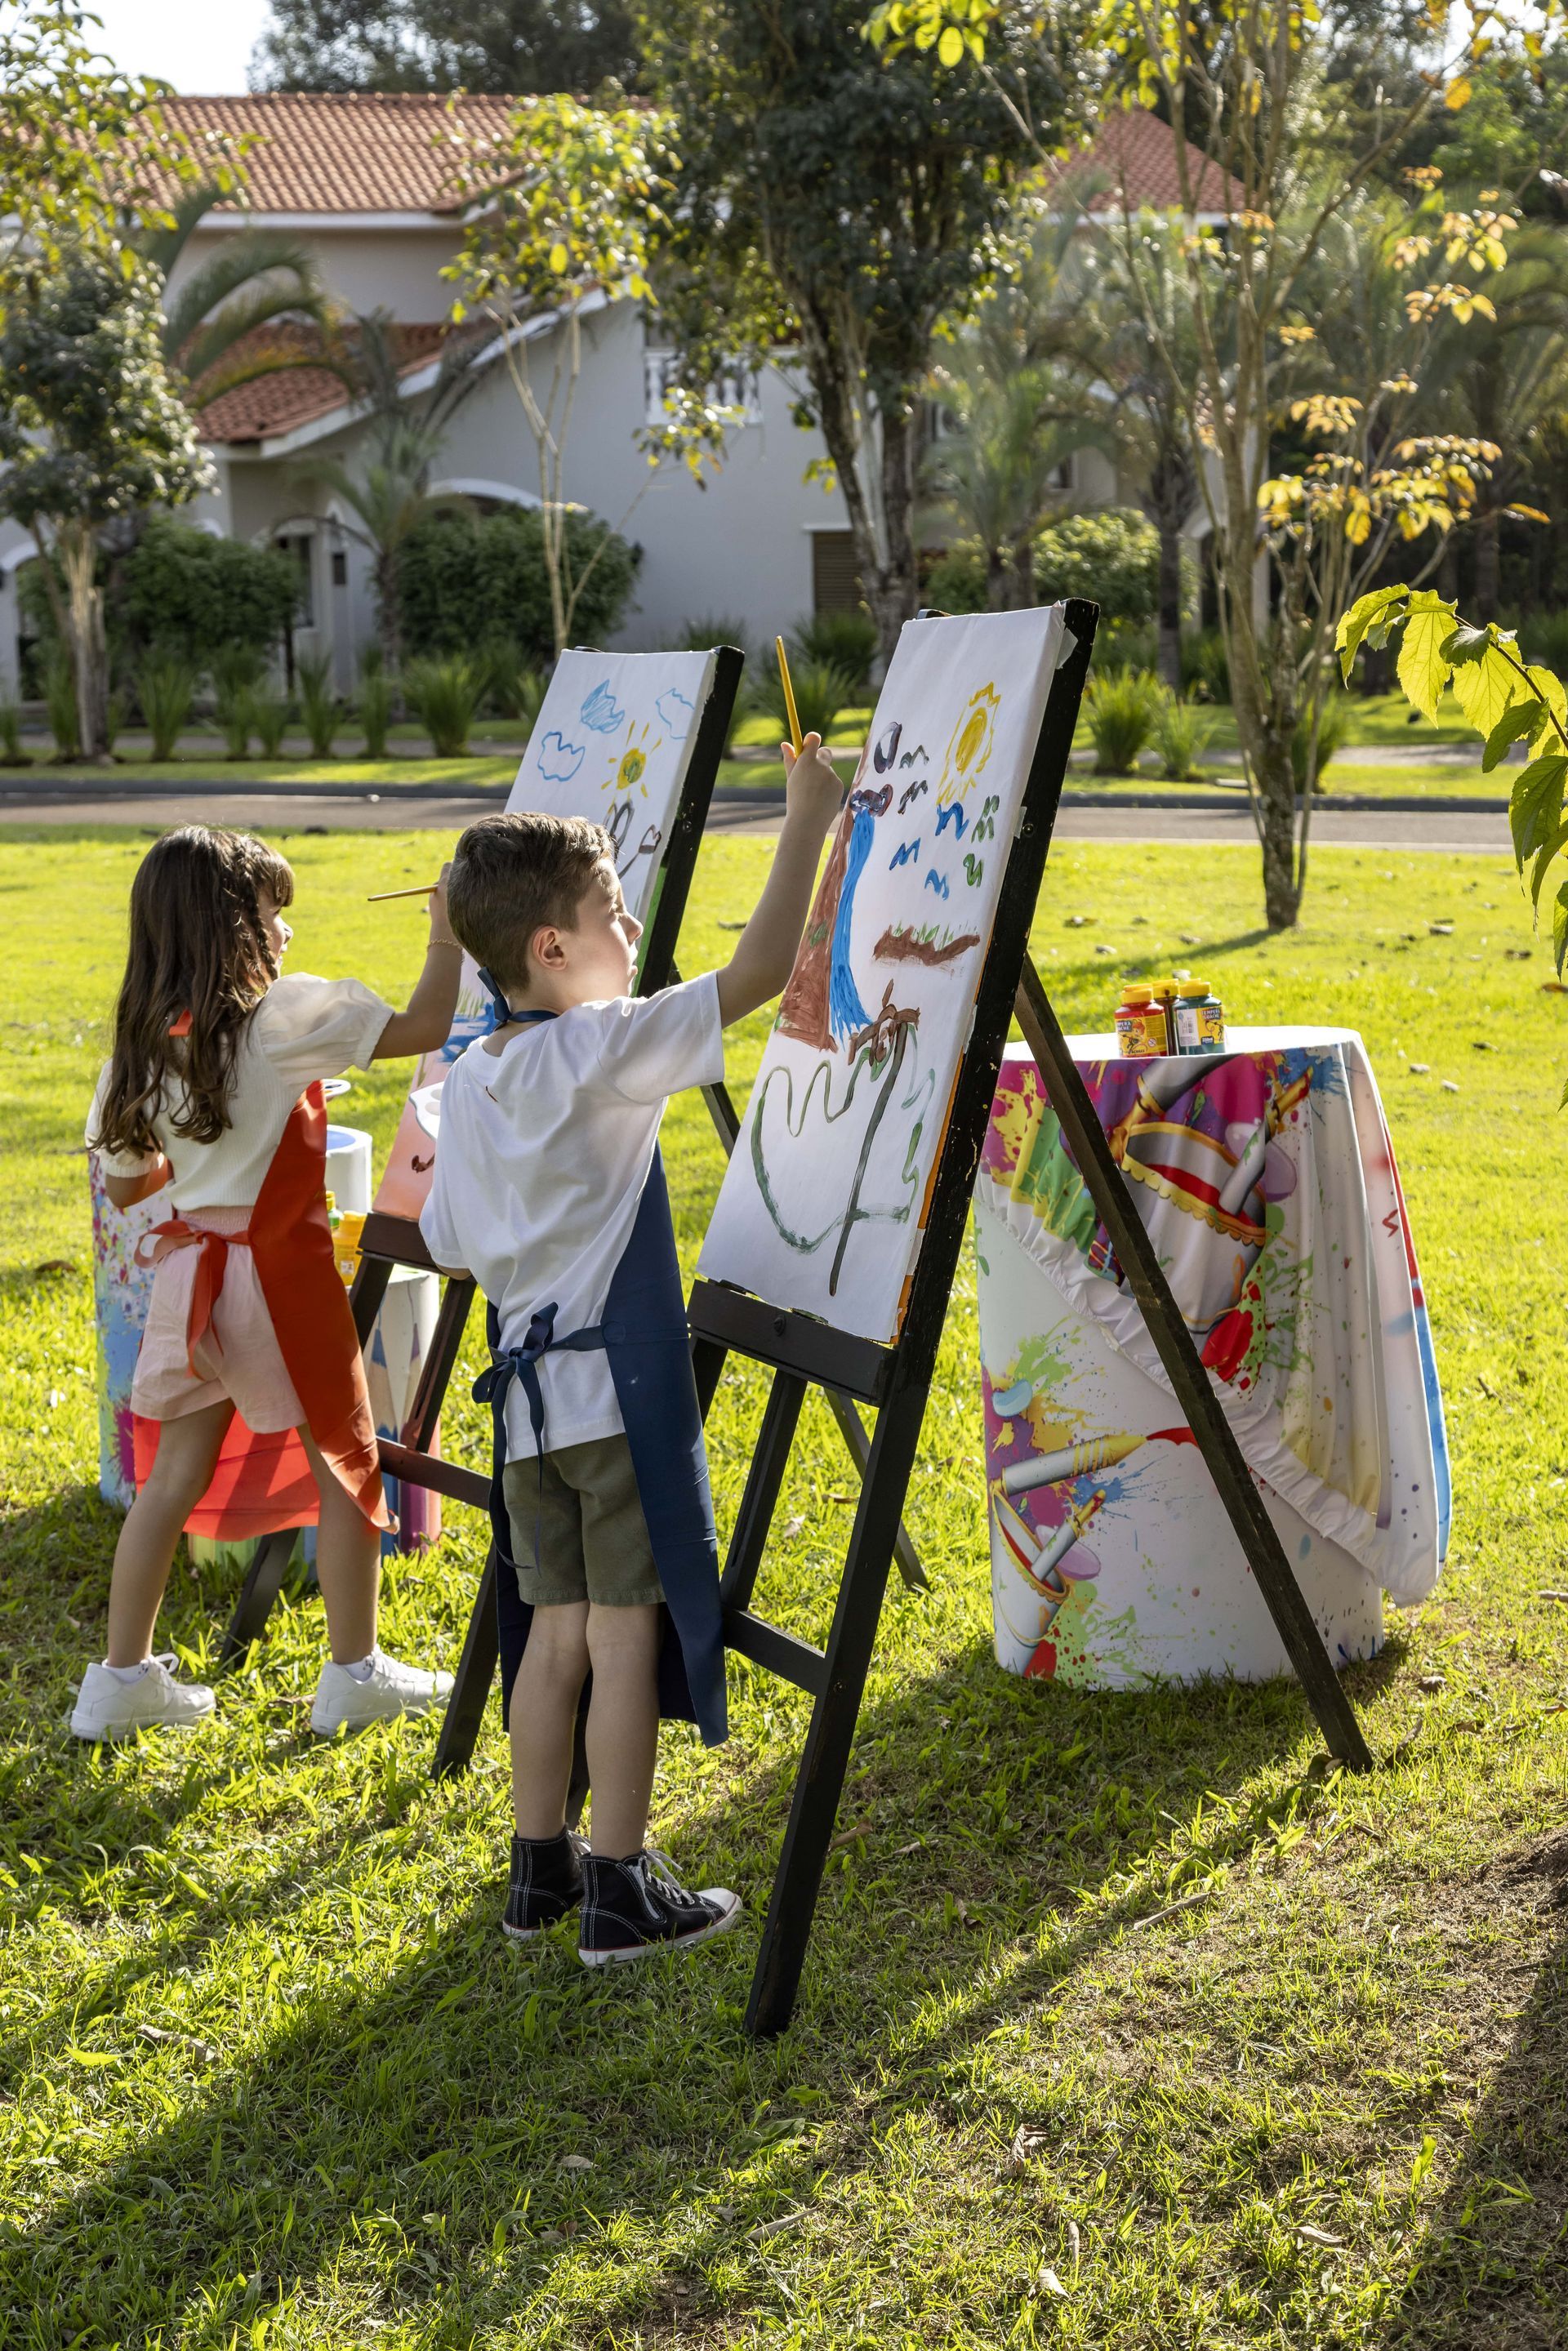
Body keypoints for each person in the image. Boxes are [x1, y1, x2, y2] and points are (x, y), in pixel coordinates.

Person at [422, 731, 844, 1966]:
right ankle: (620, 1884)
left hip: (526, 1417)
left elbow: (453, 1239)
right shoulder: (592, 1048)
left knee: (546, 1632)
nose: (631, 932)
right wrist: (806, 813)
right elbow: (760, 968)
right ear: (551, 948)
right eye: (615, 912)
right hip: (612, 1403)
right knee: (620, 1636)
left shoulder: (473, 1078)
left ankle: (537, 1869)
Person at [73, 826, 464, 1743]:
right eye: (270, 912)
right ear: (226, 928)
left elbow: (130, 1183)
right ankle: (353, 1669)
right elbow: (428, 1027)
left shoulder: (138, 1050)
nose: (284, 932)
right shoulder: (279, 1021)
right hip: (275, 1282)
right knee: (348, 1459)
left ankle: (117, 1679)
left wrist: (206, 1172)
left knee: (169, 1479)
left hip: (190, 1285)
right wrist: (445, 933)